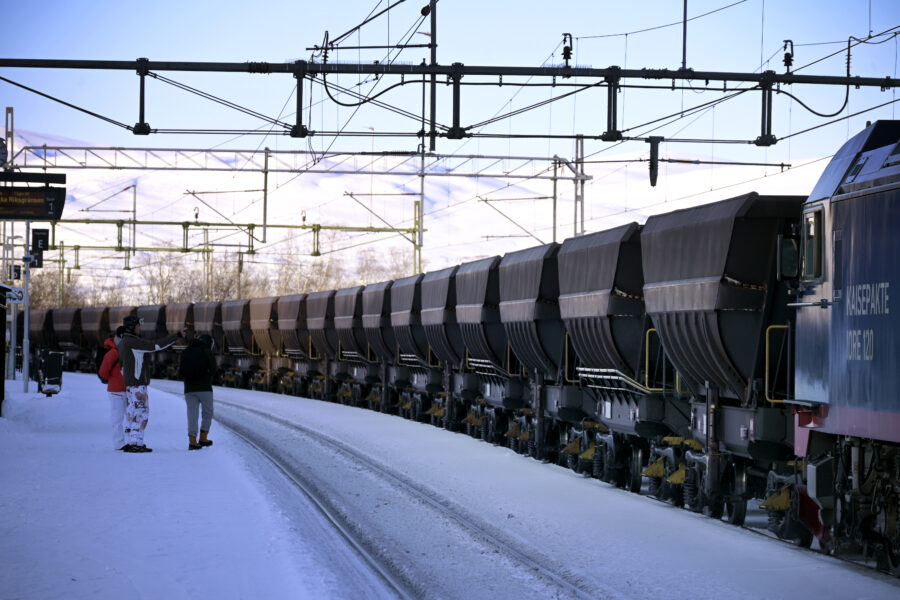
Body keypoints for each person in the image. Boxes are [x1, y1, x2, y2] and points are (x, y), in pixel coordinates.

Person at [117, 315, 186, 453]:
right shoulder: (133, 342)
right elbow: (156, 346)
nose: (139, 328)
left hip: (131, 385)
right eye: (138, 325)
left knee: (132, 412)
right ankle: (135, 443)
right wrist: (176, 336)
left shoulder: (123, 342)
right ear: (132, 327)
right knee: (142, 413)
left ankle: (130, 441)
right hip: (138, 385)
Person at [179, 333, 217, 450]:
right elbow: (213, 368)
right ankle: (203, 438)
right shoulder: (206, 351)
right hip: (205, 388)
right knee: (207, 413)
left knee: (192, 415)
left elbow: (181, 371)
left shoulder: (186, 351)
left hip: (189, 389)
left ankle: (192, 441)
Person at [98, 326, 127, 450]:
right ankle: (119, 443)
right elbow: (103, 372)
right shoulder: (113, 353)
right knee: (118, 417)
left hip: (125, 390)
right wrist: (114, 378)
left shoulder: (123, 351)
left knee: (128, 417)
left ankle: (129, 441)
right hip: (116, 391)